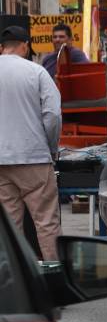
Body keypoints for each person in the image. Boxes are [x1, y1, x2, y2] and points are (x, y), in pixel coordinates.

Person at [0, 26, 63, 261]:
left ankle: (12, 281)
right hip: (34, 158)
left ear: (1, 48)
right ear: (25, 46)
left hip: (1, 161)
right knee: (46, 222)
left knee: (8, 228)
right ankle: (55, 276)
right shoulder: (36, 72)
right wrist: (51, 147)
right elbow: (53, 115)